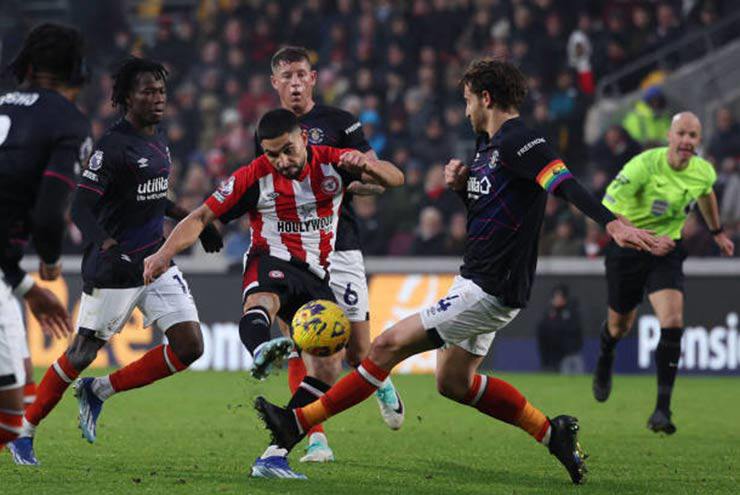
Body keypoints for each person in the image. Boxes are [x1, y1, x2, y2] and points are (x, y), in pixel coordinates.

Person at [253, 59, 658, 485]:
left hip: (491, 289)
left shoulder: (523, 140)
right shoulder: (487, 146)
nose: (465, 111)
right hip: (474, 280)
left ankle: (295, 424)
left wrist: (611, 223)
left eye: (467, 100)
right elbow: (495, 215)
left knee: (387, 345)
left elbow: (566, 184)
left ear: (486, 98)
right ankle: (551, 432)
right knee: (453, 382)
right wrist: (464, 189)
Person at [142, 108, 404, 479]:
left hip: (316, 275)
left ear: (304, 140)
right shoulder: (253, 177)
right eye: (272, 154)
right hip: (271, 259)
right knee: (263, 301)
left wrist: (367, 164)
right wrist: (163, 254)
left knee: (330, 365)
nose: (282, 161)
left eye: (288, 150)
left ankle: (275, 453)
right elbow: (201, 216)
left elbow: (396, 178)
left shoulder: (333, 163)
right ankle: (261, 349)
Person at [9, 56, 223, 465]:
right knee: (80, 355)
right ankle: (25, 430)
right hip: (115, 268)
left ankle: (99, 390)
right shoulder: (111, 147)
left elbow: (154, 195)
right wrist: (108, 246)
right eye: (147, 92)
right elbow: (80, 207)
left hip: (155, 261)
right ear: (126, 97)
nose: (158, 99)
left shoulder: (157, 139)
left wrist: (196, 220)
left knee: (190, 346)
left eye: (161, 91)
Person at [255, 46, 406, 463]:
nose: (295, 82)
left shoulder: (341, 123)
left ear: (314, 78)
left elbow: (378, 178)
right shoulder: (267, 130)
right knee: (300, 343)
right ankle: (316, 437)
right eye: (286, 76)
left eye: (302, 74)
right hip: (291, 252)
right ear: (275, 83)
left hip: (340, 247)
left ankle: (381, 381)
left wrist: (347, 179)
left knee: (358, 351)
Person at [593, 111, 734, 434]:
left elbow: (706, 194)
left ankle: (662, 411)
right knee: (620, 326)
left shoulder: (702, 171)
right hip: (628, 249)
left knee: (672, 322)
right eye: (681, 134)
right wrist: (642, 239)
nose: (687, 141)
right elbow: (607, 207)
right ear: (670, 136)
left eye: (693, 136)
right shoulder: (642, 166)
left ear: (699, 141)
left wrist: (716, 231)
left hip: (666, 252)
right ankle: (606, 352)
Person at [0, 23, 90, 453]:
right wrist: (46, 268)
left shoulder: (1, 103)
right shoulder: (65, 120)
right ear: (76, 72)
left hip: (4, 268)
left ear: (29, 65)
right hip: (5, 269)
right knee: (9, 417)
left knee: (15, 411)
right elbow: (49, 215)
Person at [536, 285, 584, 373]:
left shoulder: (572, 312)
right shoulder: (549, 313)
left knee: (575, 380)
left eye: (559, 297)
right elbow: (542, 332)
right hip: (553, 356)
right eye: (555, 297)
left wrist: (573, 348)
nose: (557, 299)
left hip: (570, 355)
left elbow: (577, 332)